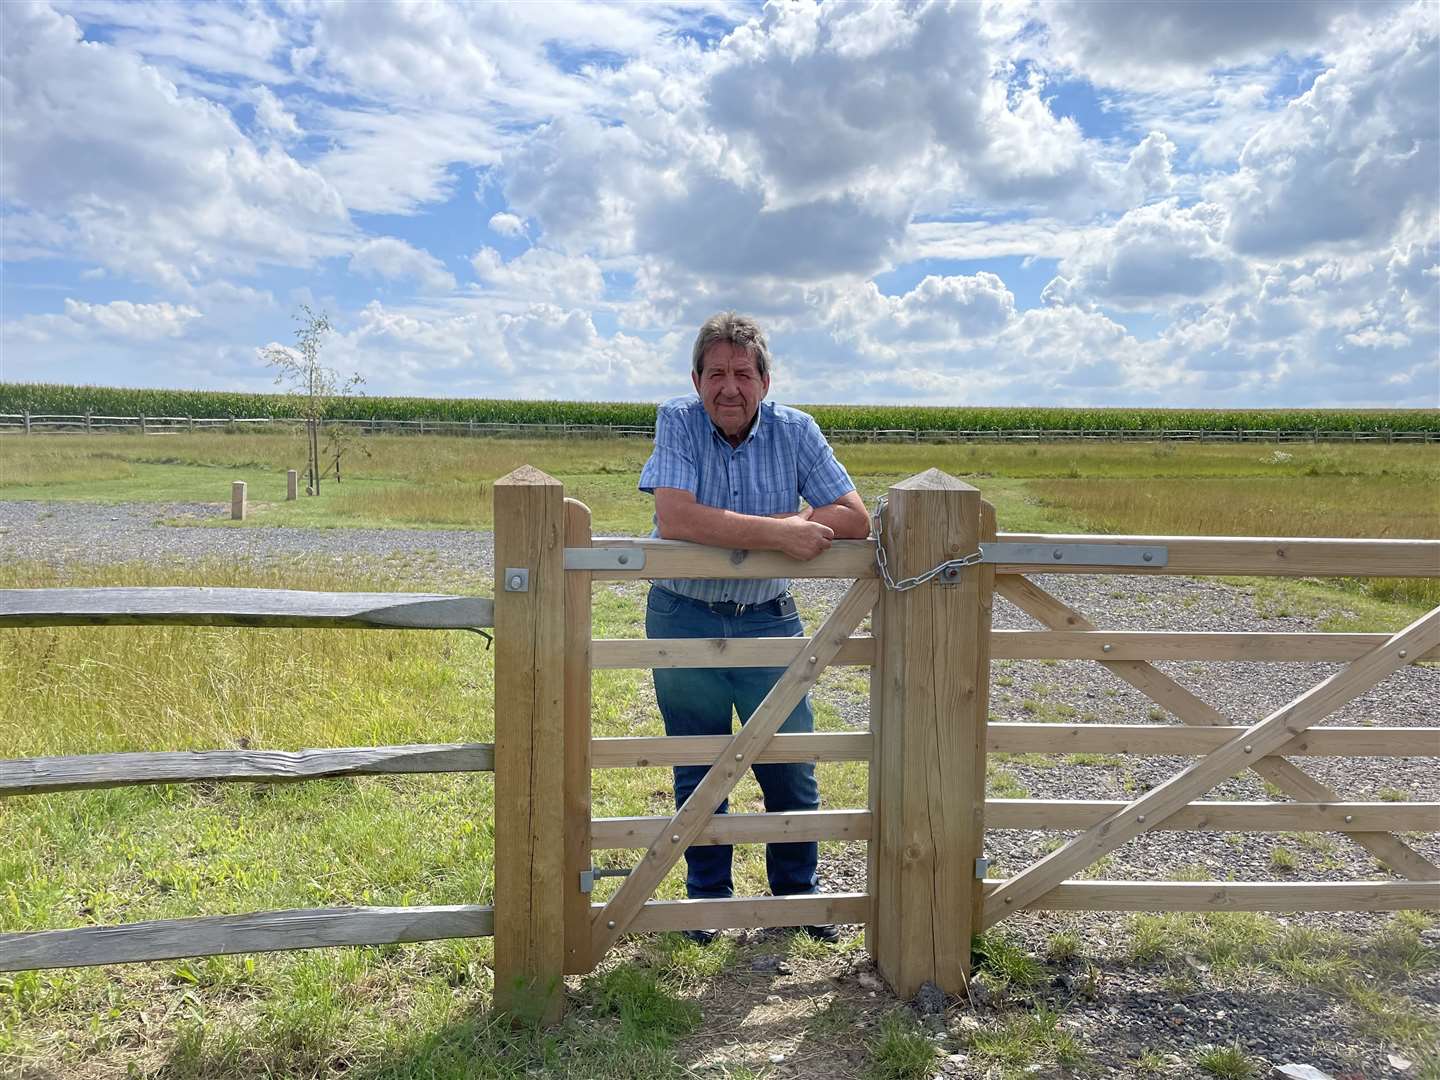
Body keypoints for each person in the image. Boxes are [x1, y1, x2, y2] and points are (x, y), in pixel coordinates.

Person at [638, 311, 871, 945]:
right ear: (695, 380)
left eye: (743, 373)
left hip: (769, 616)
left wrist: (781, 529)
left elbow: (855, 519)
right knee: (699, 759)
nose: (729, 388)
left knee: (790, 759)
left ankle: (796, 895)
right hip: (684, 614)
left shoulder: (797, 431)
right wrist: (782, 531)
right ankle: (706, 903)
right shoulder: (677, 421)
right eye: (716, 374)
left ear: (765, 381)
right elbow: (677, 516)